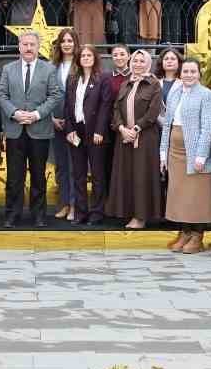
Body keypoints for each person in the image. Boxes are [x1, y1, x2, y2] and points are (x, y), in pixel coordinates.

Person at [0, 31, 63, 227]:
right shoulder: (8, 69)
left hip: (39, 129)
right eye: (25, 44)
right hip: (15, 130)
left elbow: (55, 95)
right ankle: (12, 215)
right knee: (15, 176)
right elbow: (1, 95)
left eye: (32, 44)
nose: (28, 48)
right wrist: (14, 113)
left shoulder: (48, 69)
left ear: (37, 46)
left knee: (38, 175)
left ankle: (39, 215)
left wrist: (36, 114)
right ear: (19, 46)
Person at [159, 57, 211, 252]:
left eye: (193, 71)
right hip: (174, 152)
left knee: (197, 196)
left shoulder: (206, 95)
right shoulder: (175, 93)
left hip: (195, 153)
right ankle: (184, 233)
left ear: (199, 74)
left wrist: (201, 156)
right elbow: (167, 124)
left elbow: (207, 127)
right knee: (180, 195)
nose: (189, 75)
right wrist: (162, 154)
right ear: (180, 74)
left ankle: (197, 236)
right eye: (185, 71)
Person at [105, 49, 164, 229]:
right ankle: (129, 212)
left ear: (147, 63)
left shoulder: (153, 84)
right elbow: (115, 109)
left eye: (141, 61)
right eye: (135, 61)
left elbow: (153, 112)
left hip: (145, 139)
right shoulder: (125, 83)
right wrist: (122, 129)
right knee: (127, 176)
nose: (138, 64)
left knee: (141, 176)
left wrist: (137, 128)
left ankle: (141, 217)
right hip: (124, 139)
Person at [62, 43, 113, 225]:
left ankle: (97, 212)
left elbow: (105, 107)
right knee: (78, 174)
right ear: (78, 59)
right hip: (76, 131)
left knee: (98, 175)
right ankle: (81, 212)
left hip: (95, 132)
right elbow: (67, 107)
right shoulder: (72, 79)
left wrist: (100, 130)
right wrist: (69, 130)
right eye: (82, 56)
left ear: (95, 58)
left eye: (89, 56)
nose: (85, 58)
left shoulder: (103, 78)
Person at [47, 28, 80, 221]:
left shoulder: (81, 65)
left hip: (75, 125)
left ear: (76, 43)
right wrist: (51, 117)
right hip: (56, 125)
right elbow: (45, 95)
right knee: (61, 166)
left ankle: (76, 205)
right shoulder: (52, 67)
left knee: (75, 166)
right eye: (63, 41)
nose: (67, 44)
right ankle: (65, 203)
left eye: (70, 40)